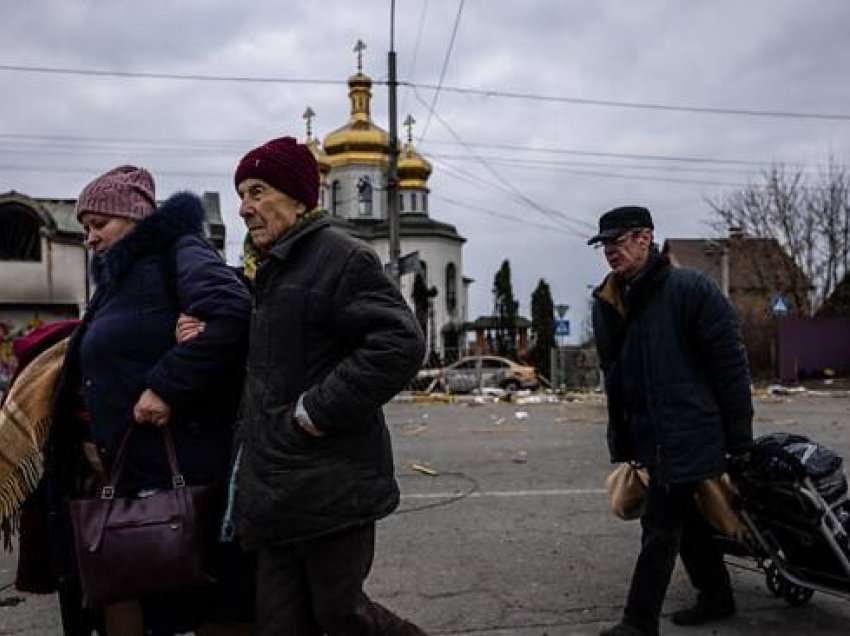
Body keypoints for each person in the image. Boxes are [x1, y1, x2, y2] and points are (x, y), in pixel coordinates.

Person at [229, 136, 428, 635]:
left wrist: (314, 411)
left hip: (331, 487)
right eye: (241, 194)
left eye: (256, 191)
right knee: (278, 626)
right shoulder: (266, 270)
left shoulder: (341, 256)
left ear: (298, 195)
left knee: (342, 617)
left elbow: (399, 344)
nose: (243, 208)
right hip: (274, 491)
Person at [44, 166, 252, 635]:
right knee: (125, 587)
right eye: (85, 229)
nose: (91, 239)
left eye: (100, 224)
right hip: (129, 467)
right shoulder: (116, 280)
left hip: (180, 467)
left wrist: (165, 385)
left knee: (203, 597)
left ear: (135, 217)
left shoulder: (179, 251)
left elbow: (232, 311)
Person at [589, 206, 753, 636]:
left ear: (646, 238)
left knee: (660, 526)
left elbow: (729, 365)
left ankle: (638, 623)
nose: (610, 251)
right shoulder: (608, 300)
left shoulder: (688, 289)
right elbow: (616, 376)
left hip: (690, 430)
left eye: (619, 240)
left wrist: (739, 438)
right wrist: (621, 439)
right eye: (605, 244)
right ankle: (717, 595)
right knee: (689, 519)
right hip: (648, 434)